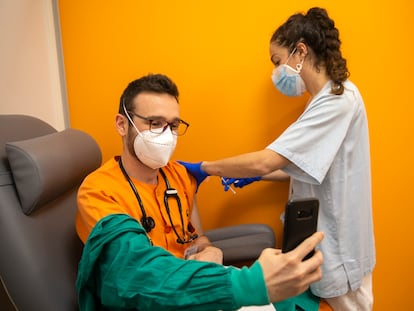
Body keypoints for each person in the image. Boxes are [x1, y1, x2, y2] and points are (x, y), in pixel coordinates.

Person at [179, 7, 375, 311]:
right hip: (322, 237)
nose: (276, 72)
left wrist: (206, 168)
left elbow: (267, 160)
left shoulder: (338, 101)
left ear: (300, 52)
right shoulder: (320, 102)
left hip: (339, 243)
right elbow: (299, 166)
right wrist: (257, 176)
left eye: (277, 61)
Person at [75, 73, 324, 310]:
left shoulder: (178, 176)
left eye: (173, 125)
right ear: (122, 124)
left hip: (194, 292)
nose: (166, 135)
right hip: (148, 300)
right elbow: (133, 272)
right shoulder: (99, 191)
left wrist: (210, 250)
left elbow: (197, 239)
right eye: (155, 123)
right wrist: (246, 284)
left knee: (294, 300)